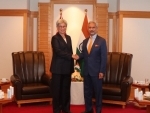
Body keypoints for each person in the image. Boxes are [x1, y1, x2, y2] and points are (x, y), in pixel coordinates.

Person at [74, 21, 107, 113]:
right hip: (86, 71)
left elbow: (104, 57)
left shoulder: (102, 41)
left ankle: (98, 110)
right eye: (90, 27)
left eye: (93, 27)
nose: (91, 29)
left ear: (96, 28)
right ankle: (89, 110)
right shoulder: (85, 41)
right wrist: (77, 56)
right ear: (88, 29)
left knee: (98, 93)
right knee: (87, 93)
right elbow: (84, 54)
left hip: (97, 72)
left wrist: (102, 71)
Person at [50, 19, 75, 113]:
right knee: (57, 91)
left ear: (66, 27)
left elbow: (70, 51)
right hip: (57, 68)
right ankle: (56, 109)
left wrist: (73, 60)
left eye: (64, 26)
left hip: (67, 68)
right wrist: (71, 56)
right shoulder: (55, 38)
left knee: (66, 90)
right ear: (57, 28)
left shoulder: (68, 37)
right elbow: (58, 51)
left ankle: (66, 108)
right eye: (60, 26)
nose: (62, 28)